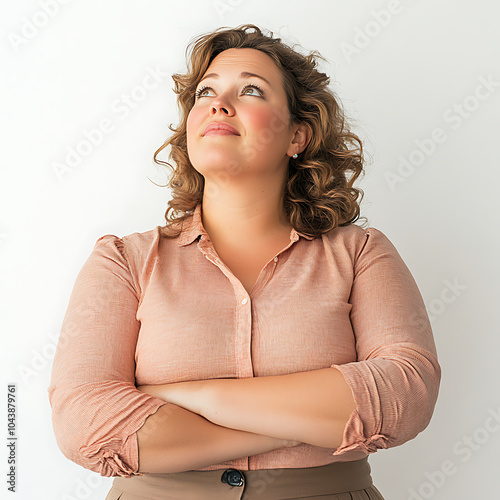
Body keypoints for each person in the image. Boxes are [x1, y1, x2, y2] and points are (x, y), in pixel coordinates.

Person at [47, 24, 441, 500]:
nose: (218, 103)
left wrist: (198, 397)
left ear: (298, 133)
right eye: (205, 92)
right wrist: (312, 423)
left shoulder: (361, 253)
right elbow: (85, 423)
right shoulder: (123, 261)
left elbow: (405, 394)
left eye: (251, 89)